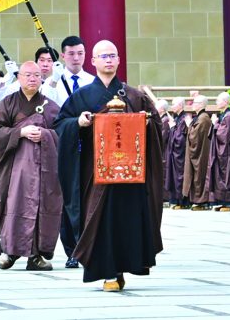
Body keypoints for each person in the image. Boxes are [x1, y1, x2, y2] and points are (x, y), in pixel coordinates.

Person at [54, 39, 163, 292]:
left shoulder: (134, 95)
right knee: (100, 220)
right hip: (95, 173)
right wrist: (78, 122)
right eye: (103, 56)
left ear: (119, 60)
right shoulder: (82, 96)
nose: (109, 60)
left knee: (126, 220)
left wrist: (146, 123)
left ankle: (122, 267)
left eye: (112, 56)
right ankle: (107, 272)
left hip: (129, 174)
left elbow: (156, 124)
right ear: (93, 61)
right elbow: (60, 124)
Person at [0, 60, 62, 271]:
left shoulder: (51, 106)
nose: (32, 79)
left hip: (43, 170)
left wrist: (45, 134)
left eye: (36, 75)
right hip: (15, 169)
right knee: (14, 205)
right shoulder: (8, 103)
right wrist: (19, 132)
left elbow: (62, 133)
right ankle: (11, 251)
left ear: (42, 78)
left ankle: (36, 256)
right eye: (28, 75)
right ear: (19, 78)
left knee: (40, 208)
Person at [41, 35, 94, 107]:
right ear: (63, 56)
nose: (76, 58)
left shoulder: (92, 81)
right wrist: (54, 81)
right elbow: (45, 105)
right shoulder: (51, 81)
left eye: (80, 53)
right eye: (71, 54)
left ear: (85, 54)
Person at [209, 91, 230, 211]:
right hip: (221, 151)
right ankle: (222, 201)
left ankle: (229, 202)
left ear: (226, 102)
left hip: (226, 152)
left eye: (219, 100)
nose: (216, 102)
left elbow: (224, 135)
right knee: (220, 176)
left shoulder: (228, 116)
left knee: (227, 175)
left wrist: (215, 124)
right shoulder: (223, 115)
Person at [182, 94, 212, 211]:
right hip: (198, 152)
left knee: (199, 176)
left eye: (195, 103)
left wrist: (189, 124)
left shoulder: (204, 118)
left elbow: (194, 136)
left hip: (200, 153)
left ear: (201, 105)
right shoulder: (200, 117)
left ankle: (201, 201)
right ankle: (196, 200)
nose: (193, 105)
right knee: (195, 175)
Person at [164, 98, 189, 209]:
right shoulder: (177, 118)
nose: (172, 106)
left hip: (180, 154)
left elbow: (180, 139)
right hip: (174, 153)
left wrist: (172, 127)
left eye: (174, 104)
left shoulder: (184, 119)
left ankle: (182, 201)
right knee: (173, 176)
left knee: (180, 176)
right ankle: (176, 200)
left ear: (180, 105)